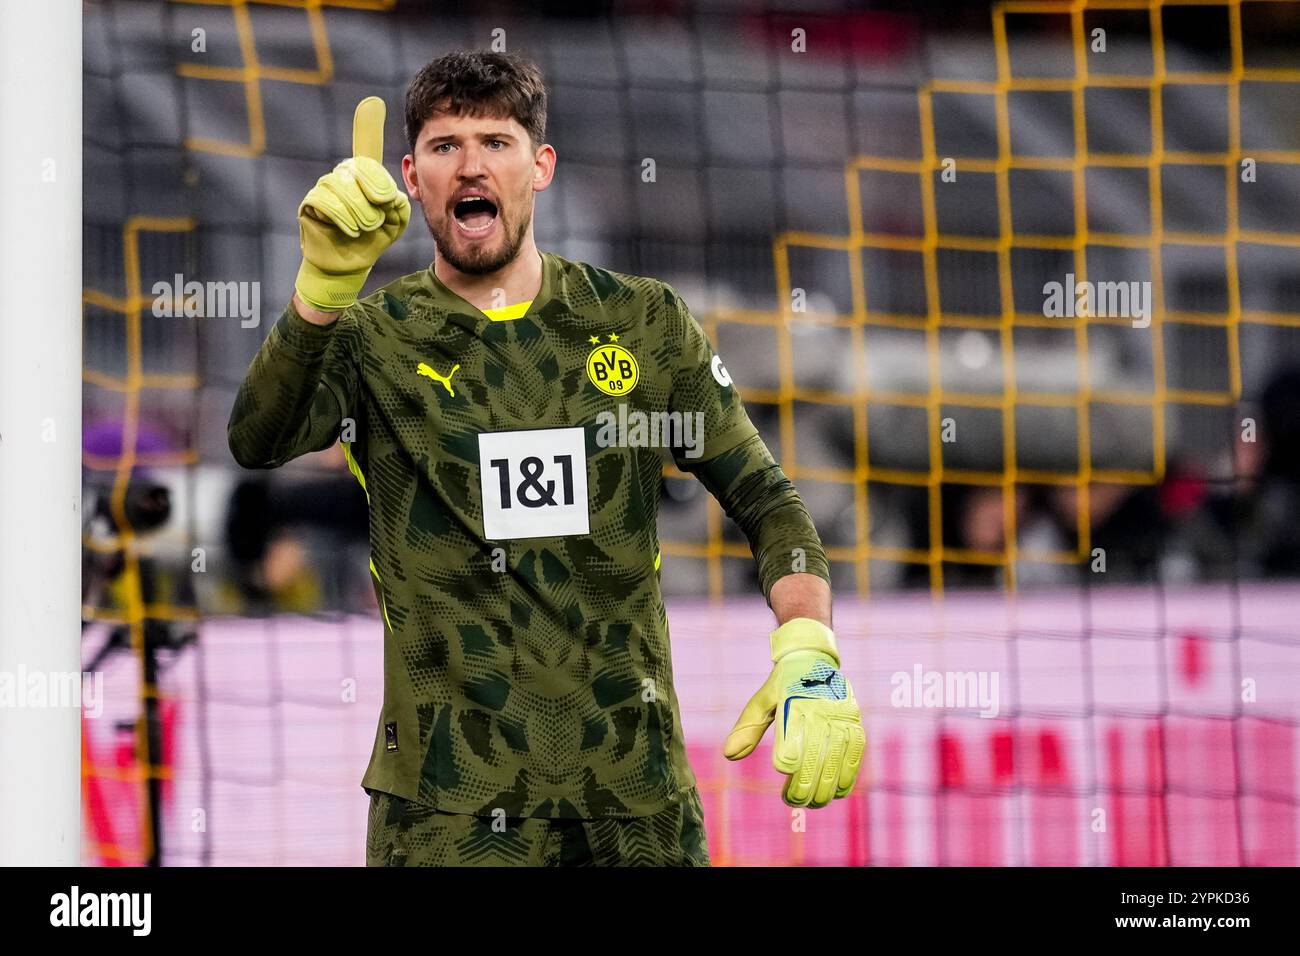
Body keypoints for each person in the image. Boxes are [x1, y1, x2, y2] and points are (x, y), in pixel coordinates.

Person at [227, 50, 864, 866]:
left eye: (496, 141)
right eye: (445, 145)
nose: (471, 164)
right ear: (410, 176)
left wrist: (809, 642)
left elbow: (768, 500)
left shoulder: (642, 321)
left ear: (541, 166)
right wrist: (318, 293)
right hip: (445, 813)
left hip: (634, 803)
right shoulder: (370, 339)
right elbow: (257, 438)